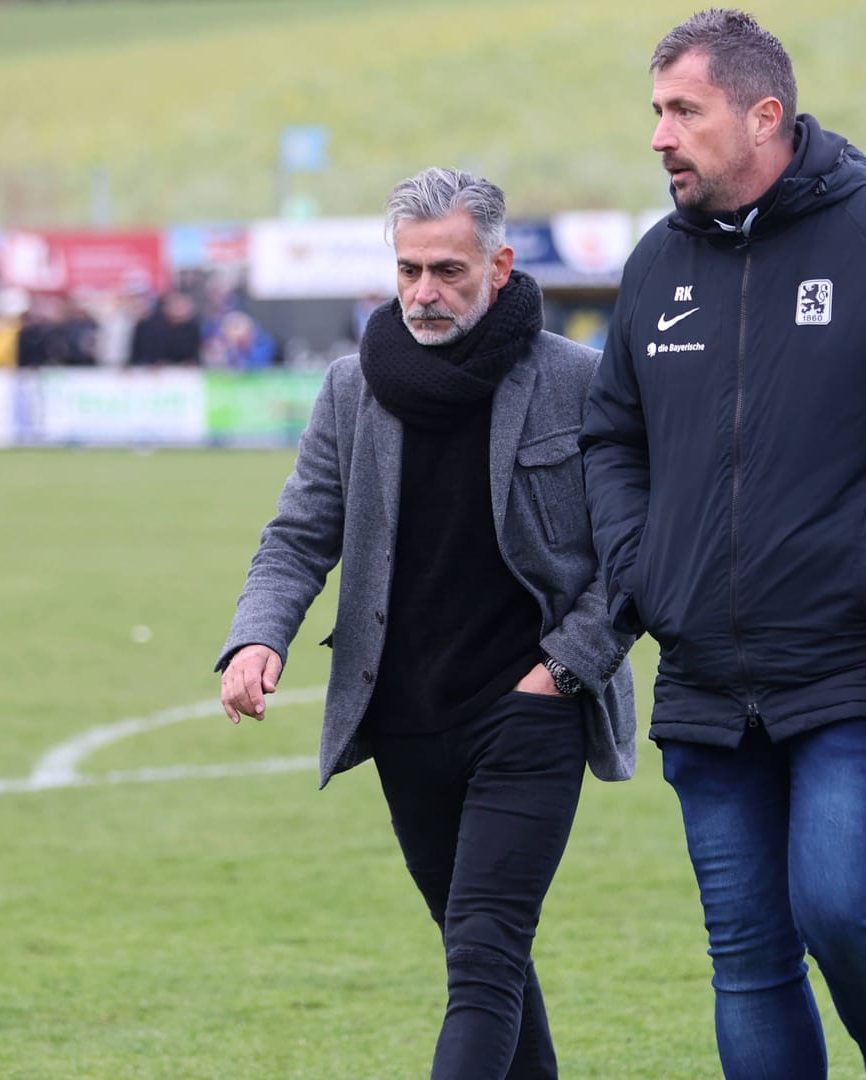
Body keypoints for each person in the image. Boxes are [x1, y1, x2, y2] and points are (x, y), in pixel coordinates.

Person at [580, 11, 866, 1078]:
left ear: (764, 116)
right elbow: (611, 440)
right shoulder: (652, 267)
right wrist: (648, 569)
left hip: (857, 667)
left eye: (685, 110)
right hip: (707, 677)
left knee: (843, 909)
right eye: (656, 112)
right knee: (749, 957)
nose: (660, 136)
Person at [215, 167, 636, 1079]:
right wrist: (259, 635)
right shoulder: (349, 389)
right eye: (408, 270)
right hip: (404, 722)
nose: (424, 292)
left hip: (530, 713)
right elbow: (298, 535)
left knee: (482, 962)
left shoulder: (581, 381)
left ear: (501, 263)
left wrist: (563, 670)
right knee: (488, 961)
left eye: (447, 270)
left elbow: (636, 555)